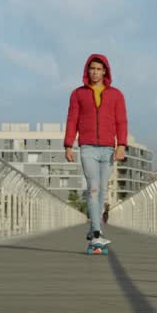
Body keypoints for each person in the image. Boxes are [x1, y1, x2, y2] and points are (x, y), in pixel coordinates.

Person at [64, 53, 127, 248]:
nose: (95, 72)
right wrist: (68, 144)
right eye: (92, 68)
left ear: (105, 71)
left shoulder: (116, 94)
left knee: (101, 192)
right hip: (88, 147)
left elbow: (121, 121)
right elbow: (72, 119)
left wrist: (121, 145)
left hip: (108, 149)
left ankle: (93, 228)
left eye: (99, 69)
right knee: (93, 188)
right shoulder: (78, 94)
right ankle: (98, 233)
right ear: (87, 70)